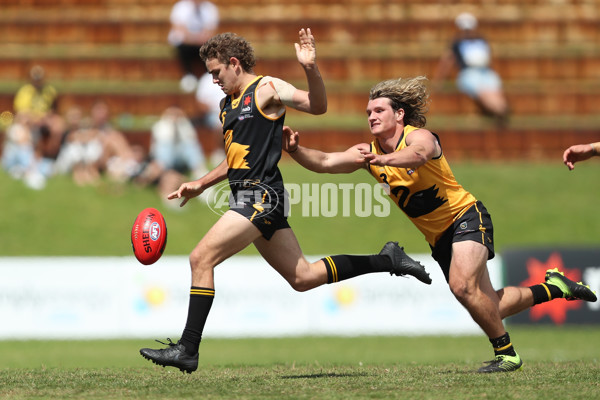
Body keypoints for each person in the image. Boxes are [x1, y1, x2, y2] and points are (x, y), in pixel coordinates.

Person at [139, 30, 432, 374]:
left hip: (260, 197)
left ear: (234, 63)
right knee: (303, 278)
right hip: (248, 197)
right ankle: (387, 260)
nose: (214, 79)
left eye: (216, 72)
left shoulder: (267, 89)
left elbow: (318, 106)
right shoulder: (226, 105)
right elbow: (236, 158)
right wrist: (200, 184)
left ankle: (187, 349)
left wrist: (310, 68)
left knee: (200, 258)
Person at [281, 76, 597, 373]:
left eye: (379, 110)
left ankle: (507, 353)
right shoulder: (369, 152)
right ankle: (555, 287)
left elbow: (418, 155)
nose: (372, 117)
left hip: (467, 217)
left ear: (399, 114)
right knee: (490, 308)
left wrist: (385, 160)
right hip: (439, 238)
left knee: (462, 287)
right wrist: (295, 150)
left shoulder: (418, 136)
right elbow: (324, 162)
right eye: (368, 112)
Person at [434, 12, 509, 128]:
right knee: (487, 93)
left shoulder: (460, 42)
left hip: (479, 73)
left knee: (491, 92)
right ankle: (499, 110)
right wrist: (438, 81)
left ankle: (500, 110)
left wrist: (438, 81)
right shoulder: (478, 41)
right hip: (474, 74)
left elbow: (446, 62)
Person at [135, 106, 209, 202]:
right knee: (167, 146)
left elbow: (191, 138)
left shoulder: (184, 125)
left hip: (180, 159)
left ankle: (199, 172)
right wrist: (171, 123)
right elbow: (162, 141)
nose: (174, 116)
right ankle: (198, 175)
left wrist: (180, 123)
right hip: (164, 160)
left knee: (190, 146)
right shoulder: (161, 126)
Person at [168, 0, 219, 93]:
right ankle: (188, 75)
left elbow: (210, 31)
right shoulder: (180, 7)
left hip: (202, 42)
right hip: (185, 43)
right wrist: (195, 39)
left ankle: (207, 77)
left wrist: (199, 39)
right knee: (183, 48)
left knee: (210, 49)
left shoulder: (210, 8)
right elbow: (180, 30)